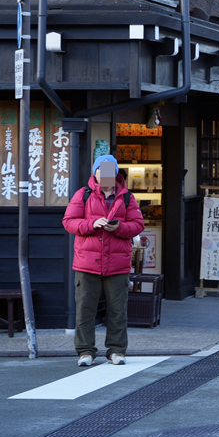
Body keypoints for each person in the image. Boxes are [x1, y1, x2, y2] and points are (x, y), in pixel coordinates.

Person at [63, 155, 144, 366]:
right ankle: (85, 352)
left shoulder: (127, 197)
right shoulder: (83, 194)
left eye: (110, 170)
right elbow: (69, 222)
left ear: (116, 173)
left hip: (117, 264)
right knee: (85, 309)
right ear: (95, 172)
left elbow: (137, 225)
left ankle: (117, 351)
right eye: (101, 170)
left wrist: (119, 228)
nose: (105, 174)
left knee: (118, 310)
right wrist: (92, 224)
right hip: (87, 263)